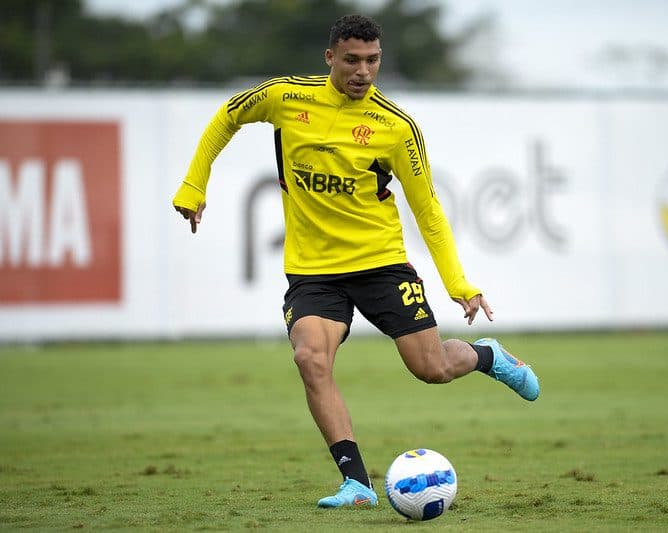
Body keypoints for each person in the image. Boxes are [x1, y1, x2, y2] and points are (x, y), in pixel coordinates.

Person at [172, 14, 539, 509]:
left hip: (381, 263)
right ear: (330, 58)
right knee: (310, 359)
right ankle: (358, 483)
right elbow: (226, 118)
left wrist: (459, 283)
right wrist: (195, 184)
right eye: (352, 60)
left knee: (430, 369)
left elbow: (428, 208)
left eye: (372, 60)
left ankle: (488, 356)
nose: (363, 71)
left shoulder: (396, 126)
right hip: (314, 270)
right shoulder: (285, 97)